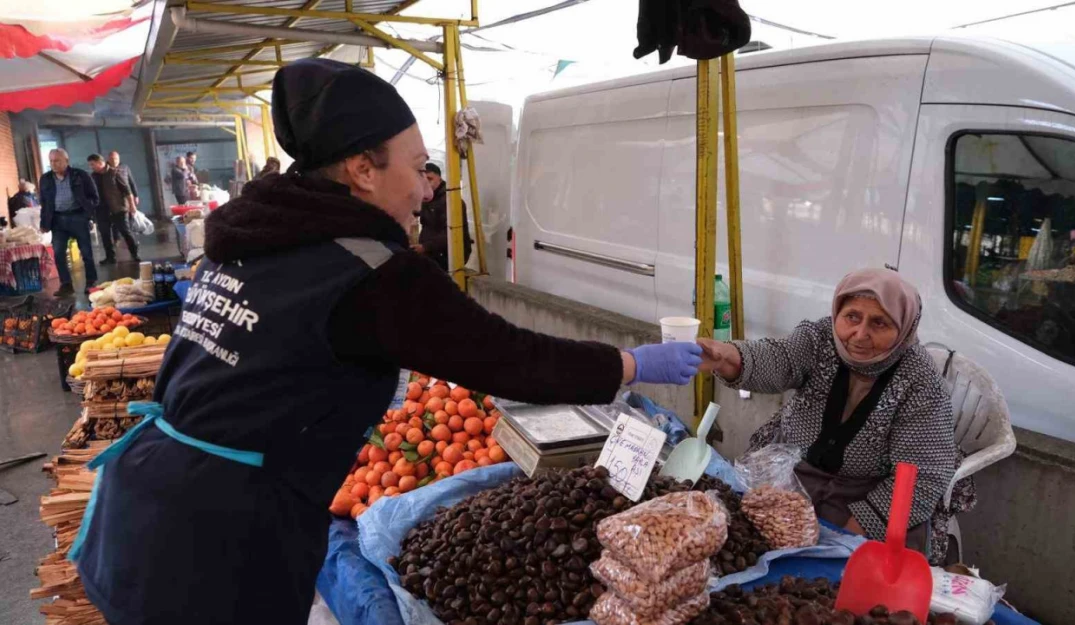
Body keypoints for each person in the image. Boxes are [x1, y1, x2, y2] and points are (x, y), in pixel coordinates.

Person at [70, 58, 705, 625]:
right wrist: (629, 362)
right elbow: (512, 358)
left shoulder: (250, 240)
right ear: (362, 169)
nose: (429, 187)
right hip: (220, 549)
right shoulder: (368, 270)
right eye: (417, 166)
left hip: (146, 508)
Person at [699, 268, 959, 559]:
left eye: (879, 323)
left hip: (868, 497)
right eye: (852, 317)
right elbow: (780, 359)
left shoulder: (921, 382)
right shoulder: (821, 338)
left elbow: (923, 476)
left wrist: (848, 538)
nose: (860, 335)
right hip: (794, 479)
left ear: (904, 328)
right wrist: (725, 356)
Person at [39, 148, 99, 297]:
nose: (54, 164)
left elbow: (94, 197)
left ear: (66, 161)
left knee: (86, 252)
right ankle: (66, 284)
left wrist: (87, 214)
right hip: (57, 220)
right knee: (58, 253)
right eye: (51, 161)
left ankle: (91, 282)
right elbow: (44, 202)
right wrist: (44, 223)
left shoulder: (80, 175)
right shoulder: (45, 179)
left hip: (78, 217)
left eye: (57, 160)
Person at [416, 162, 471, 272]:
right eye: (423, 180)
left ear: (439, 179)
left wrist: (425, 247)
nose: (426, 183)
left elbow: (450, 234)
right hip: (432, 252)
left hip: (447, 255)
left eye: (430, 179)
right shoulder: (428, 198)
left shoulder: (451, 201)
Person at [87, 154, 141, 263]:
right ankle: (110, 257)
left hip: (118, 208)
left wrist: (132, 206)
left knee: (126, 232)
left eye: (92, 164)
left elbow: (127, 190)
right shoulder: (93, 176)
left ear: (99, 162)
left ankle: (135, 254)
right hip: (101, 210)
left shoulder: (114, 173)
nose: (91, 167)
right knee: (105, 234)